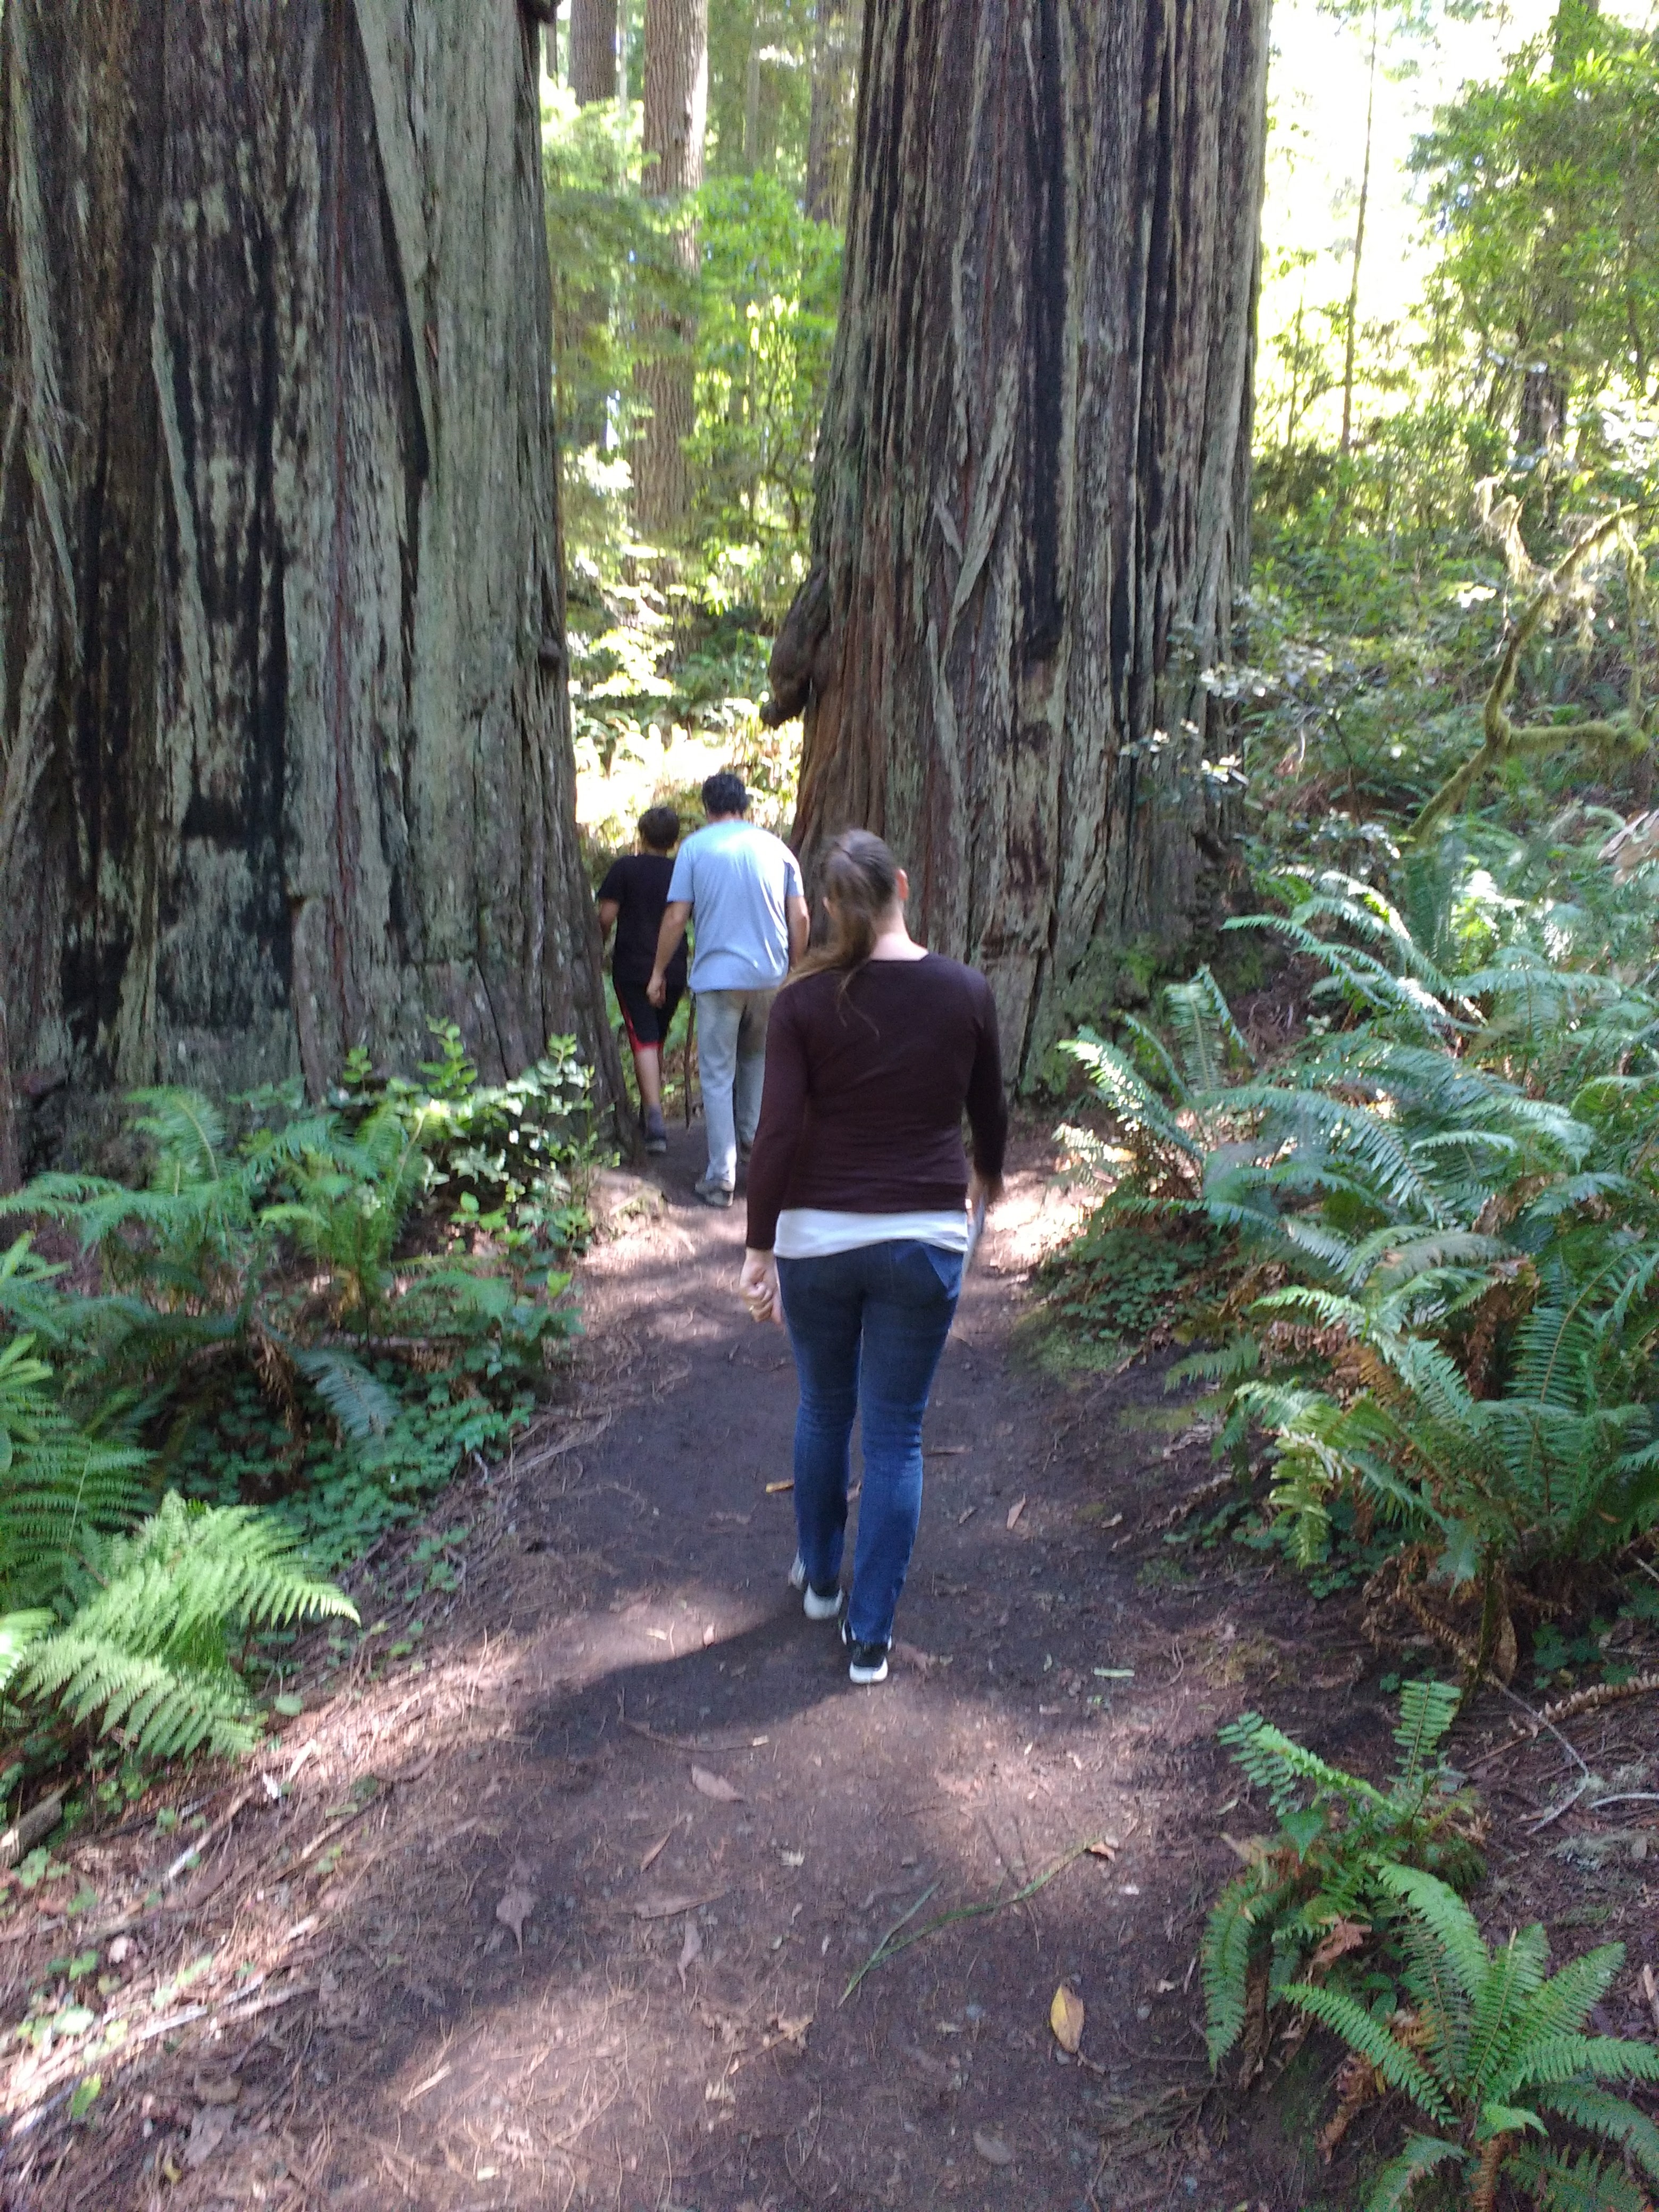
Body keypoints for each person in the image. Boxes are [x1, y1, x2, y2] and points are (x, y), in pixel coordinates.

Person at [739, 829, 1007, 1686]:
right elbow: (990, 1113)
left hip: (818, 1240)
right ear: (902, 884)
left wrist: (758, 1247)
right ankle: (870, 1636)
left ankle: (821, 1581)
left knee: (824, 1407)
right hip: (924, 1237)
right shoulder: (965, 990)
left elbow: (777, 1132)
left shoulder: (803, 1003)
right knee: (896, 1435)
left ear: (823, 912)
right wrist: (984, 1192)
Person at [648, 772, 809, 1206]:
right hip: (770, 976)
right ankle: (758, 1151)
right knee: (757, 1059)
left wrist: (659, 972)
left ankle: (722, 1178)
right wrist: (797, 968)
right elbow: (801, 917)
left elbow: (676, 917)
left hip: (719, 978)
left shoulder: (695, 849)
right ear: (744, 806)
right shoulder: (777, 849)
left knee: (718, 1075)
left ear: (707, 808)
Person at [597, 806, 686, 1154]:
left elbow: (606, 916)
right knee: (655, 1039)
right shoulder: (683, 871)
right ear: (674, 839)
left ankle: (654, 1120)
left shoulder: (625, 869)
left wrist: (598, 943)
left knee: (643, 1040)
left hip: (633, 969)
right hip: (675, 968)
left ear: (642, 834)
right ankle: (653, 1115)